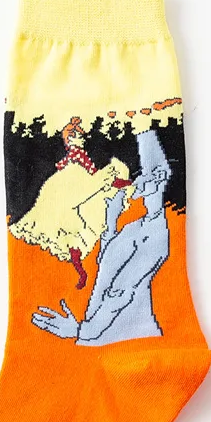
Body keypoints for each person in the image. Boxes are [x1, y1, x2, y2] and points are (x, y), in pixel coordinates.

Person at [31, 129, 171, 346]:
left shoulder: (156, 235)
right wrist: (111, 222)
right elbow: (107, 265)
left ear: (159, 178)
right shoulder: (135, 227)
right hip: (101, 337)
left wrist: (81, 330)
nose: (137, 181)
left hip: (127, 338)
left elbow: (121, 291)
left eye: (146, 174)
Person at [9, 116, 131, 289]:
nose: (80, 138)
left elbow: (84, 166)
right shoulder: (74, 149)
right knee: (74, 225)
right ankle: (81, 273)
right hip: (71, 181)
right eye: (76, 136)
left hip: (73, 180)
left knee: (78, 225)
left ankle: (82, 273)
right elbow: (88, 169)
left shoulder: (77, 150)